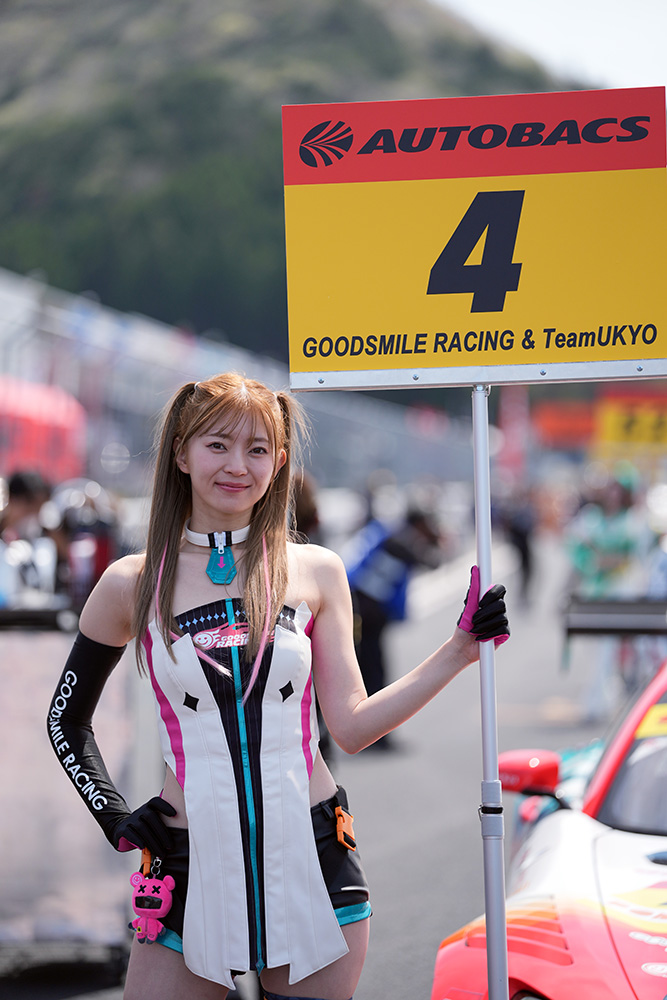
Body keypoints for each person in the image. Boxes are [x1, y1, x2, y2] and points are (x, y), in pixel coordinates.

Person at [46, 373, 509, 1000]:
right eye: (217, 445)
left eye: (258, 449)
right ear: (181, 453)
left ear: (280, 460)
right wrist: (116, 816)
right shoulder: (132, 582)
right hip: (187, 860)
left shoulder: (316, 571)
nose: (238, 465)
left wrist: (459, 650)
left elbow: (352, 725)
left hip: (312, 857)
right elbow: (66, 720)